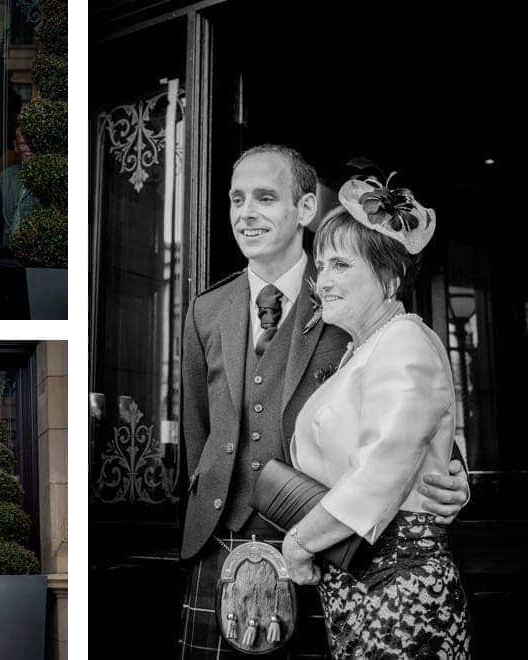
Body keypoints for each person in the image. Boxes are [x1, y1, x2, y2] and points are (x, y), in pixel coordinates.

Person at [179, 145, 471, 658]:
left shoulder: (351, 298)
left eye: (265, 198)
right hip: (222, 539)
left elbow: (410, 412)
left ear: (307, 210)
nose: (246, 213)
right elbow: (198, 432)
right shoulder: (206, 310)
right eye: (236, 199)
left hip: (331, 548)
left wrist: (451, 469)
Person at [281, 177, 471, 656]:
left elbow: (382, 465)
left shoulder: (403, 340)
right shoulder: (362, 349)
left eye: (340, 265)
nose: (322, 280)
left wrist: (301, 542)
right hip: (358, 583)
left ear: (388, 280)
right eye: (321, 265)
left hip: (399, 587)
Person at [1, 127, 39, 240]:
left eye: (33, 144)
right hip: (7, 247)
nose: (28, 149)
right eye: (23, 144)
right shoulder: (6, 175)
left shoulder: (49, 176)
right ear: (15, 146)